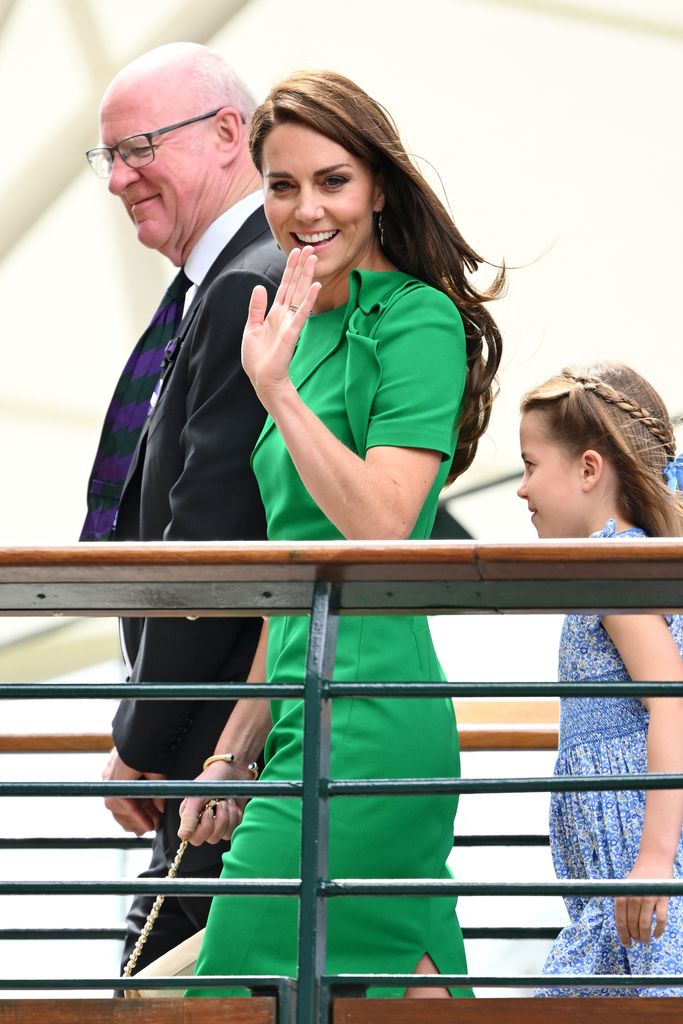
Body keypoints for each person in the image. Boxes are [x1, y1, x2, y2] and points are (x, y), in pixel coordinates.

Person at [177, 69, 504, 999]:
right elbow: (297, 576)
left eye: (332, 181)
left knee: (239, 986)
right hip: (296, 715)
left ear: (378, 189)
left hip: (374, 719)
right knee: (390, 984)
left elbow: (382, 525)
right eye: (281, 185)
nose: (305, 208)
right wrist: (230, 752)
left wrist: (274, 391)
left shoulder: (416, 320)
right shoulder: (291, 325)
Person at [80, 43, 284, 973]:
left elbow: (212, 527)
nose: (120, 178)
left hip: (222, 750)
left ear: (228, 134)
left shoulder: (250, 278)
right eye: (107, 157)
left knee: (162, 981)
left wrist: (146, 735)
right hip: (209, 744)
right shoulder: (219, 281)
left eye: (140, 148)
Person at [517, 361, 683, 997]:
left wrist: (654, 862)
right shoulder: (620, 559)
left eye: (531, 465)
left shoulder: (616, 564)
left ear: (589, 469)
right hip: (617, 859)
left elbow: (671, 701)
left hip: (634, 855)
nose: (521, 489)